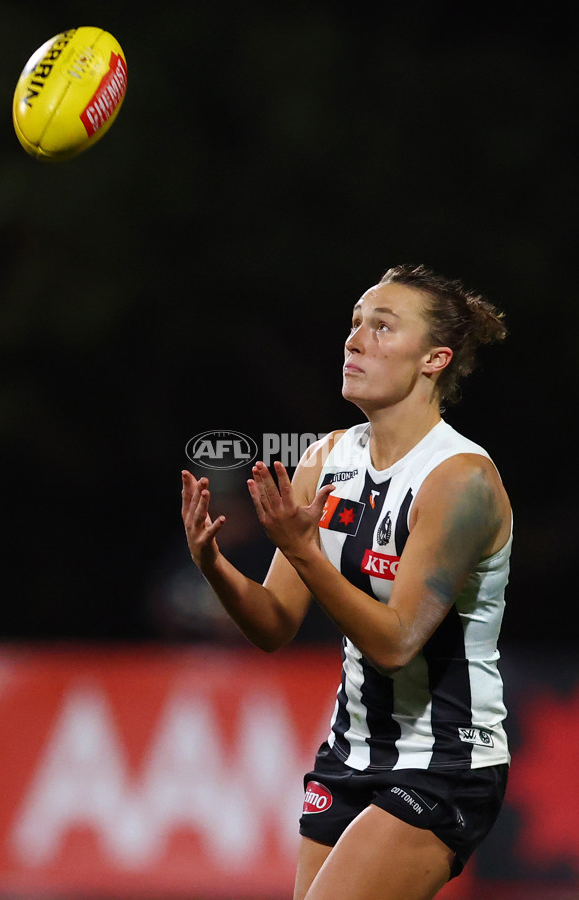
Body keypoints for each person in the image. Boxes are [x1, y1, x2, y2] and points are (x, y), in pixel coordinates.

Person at [181, 263, 512, 900]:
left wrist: (305, 552)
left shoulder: (458, 481)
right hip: (351, 750)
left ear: (434, 360)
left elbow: (395, 643)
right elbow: (275, 624)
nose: (356, 340)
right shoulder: (326, 460)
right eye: (355, 324)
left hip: (444, 759)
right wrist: (214, 566)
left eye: (383, 328)